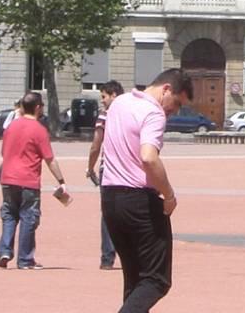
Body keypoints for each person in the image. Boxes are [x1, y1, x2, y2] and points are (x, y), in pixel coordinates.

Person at [101, 68, 191, 311]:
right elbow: (149, 158)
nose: (173, 111)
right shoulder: (153, 112)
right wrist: (169, 195)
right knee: (156, 280)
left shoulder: (119, 103)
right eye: (176, 103)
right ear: (166, 89)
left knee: (136, 278)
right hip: (138, 200)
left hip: (110, 198)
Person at [0, 90, 68, 269]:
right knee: (29, 217)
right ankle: (25, 258)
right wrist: (61, 180)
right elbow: (49, 159)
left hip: (8, 178)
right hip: (28, 180)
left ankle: (5, 251)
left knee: (9, 215)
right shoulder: (39, 130)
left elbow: (3, 152)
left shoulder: (11, 126)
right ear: (37, 108)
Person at [86, 81, 126, 268]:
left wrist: (90, 167)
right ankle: (130, 256)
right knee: (129, 211)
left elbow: (96, 144)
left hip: (109, 169)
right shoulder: (131, 113)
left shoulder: (105, 115)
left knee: (108, 213)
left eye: (104, 97)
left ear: (114, 95)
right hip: (130, 169)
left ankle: (107, 258)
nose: (102, 101)